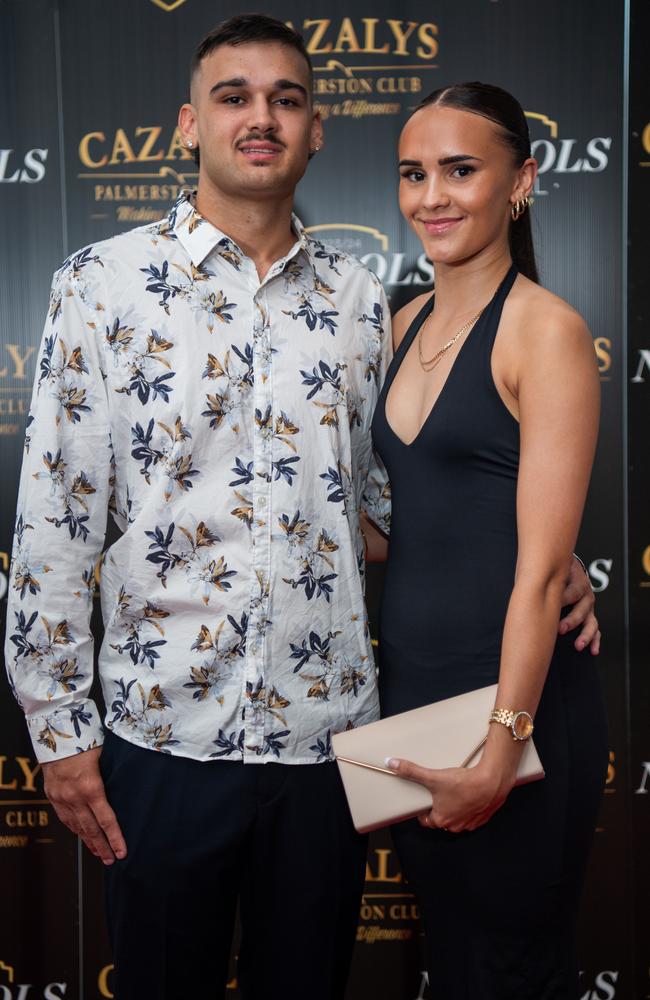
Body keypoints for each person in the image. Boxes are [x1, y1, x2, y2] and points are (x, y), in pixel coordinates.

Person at [4, 14, 597, 997]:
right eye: (234, 96)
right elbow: (54, 528)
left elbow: (376, 502)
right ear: (188, 124)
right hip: (164, 739)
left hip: (327, 746)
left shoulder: (363, 301)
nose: (261, 118)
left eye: (285, 98)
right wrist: (61, 737)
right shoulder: (101, 286)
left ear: (317, 128)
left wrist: (537, 553)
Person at [366, 82, 608, 998]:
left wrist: (503, 750)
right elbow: (411, 525)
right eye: (414, 173)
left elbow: (542, 572)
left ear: (521, 182)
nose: (433, 196)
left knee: (513, 970)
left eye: (461, 171)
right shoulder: (402, 325)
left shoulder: (546, 333)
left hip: (516, 707)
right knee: (456, 963)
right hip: (416, 698)